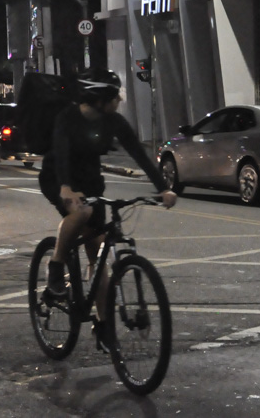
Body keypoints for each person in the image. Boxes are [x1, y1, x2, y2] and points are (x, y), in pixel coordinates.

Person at [38, 69, 177, 351]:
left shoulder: (113, 121)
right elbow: (62, 151)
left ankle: (103, 326)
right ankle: (55, 268)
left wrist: (163, 188)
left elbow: (138, 153)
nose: (119, 101)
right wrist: (65, 187)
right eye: (115, 96)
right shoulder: (68, 118)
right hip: (58, 176)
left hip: (89, 182)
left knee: (98, 252)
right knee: (82, 213)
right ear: (99, 97)